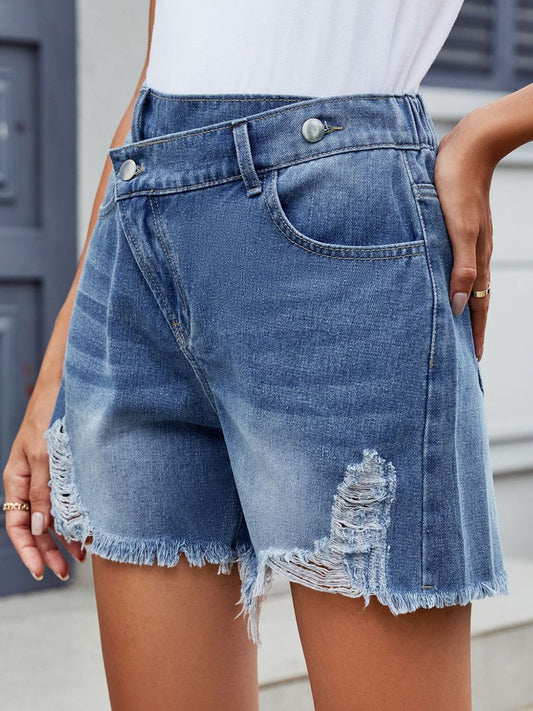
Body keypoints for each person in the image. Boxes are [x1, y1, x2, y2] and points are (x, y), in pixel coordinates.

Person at [3, 0, 529, 708]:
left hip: (334, 232)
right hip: (136, 235)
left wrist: (485, 134)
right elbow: (161, 64)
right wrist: (56, 371)